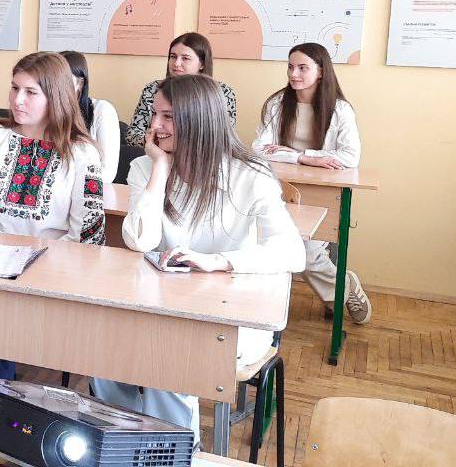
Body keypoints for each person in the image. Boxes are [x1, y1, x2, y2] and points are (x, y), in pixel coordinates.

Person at [93, 74, 304, 436]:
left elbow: (293, 252)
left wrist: (221, 260)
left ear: (200, 120)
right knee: (102, 349)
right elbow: (139, 241)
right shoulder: (145, 167)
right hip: (164, 306)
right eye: (154, 114)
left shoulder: (249, 174)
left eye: (168, 117)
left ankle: (169, 450)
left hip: (230, 314)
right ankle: (121, 441)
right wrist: (160, 169)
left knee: (167, 358)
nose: (155, 126)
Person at [0, 51, 105, 386]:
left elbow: (87, 237)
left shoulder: (82, 153)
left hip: (50, 275)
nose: (17, 100)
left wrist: (31, 264)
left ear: (56, 97)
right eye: (14, 88)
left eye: (31, 92)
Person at [252, 42, 370, 324]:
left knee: (306, 251)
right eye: (291, 67)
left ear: (321, 71)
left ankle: (339, 291)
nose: (294, 74)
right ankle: (340, 290)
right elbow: (258, 148)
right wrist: (303, 158)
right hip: (280, 187)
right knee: (274, 243)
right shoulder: (277, 103)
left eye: (303, 68)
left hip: (322, 191)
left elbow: (350, 157)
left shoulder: (340, 109)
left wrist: (300, 154)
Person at [125, 32, 237, 147]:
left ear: (202, 64)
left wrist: (179, 144)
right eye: (173, 57)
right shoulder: (153, 89)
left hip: (201, 155)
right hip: (154, 151)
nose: (177, 63)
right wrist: (158, 140)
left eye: (185, 58)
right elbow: (132, 136)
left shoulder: (222, 93)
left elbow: (227, 140)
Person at [61, 50, 120, 182]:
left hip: (88, 189)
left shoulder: (102, 110)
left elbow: (108, 173)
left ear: (80, 83)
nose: (56, 86)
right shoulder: (43, 111)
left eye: (63, 80)